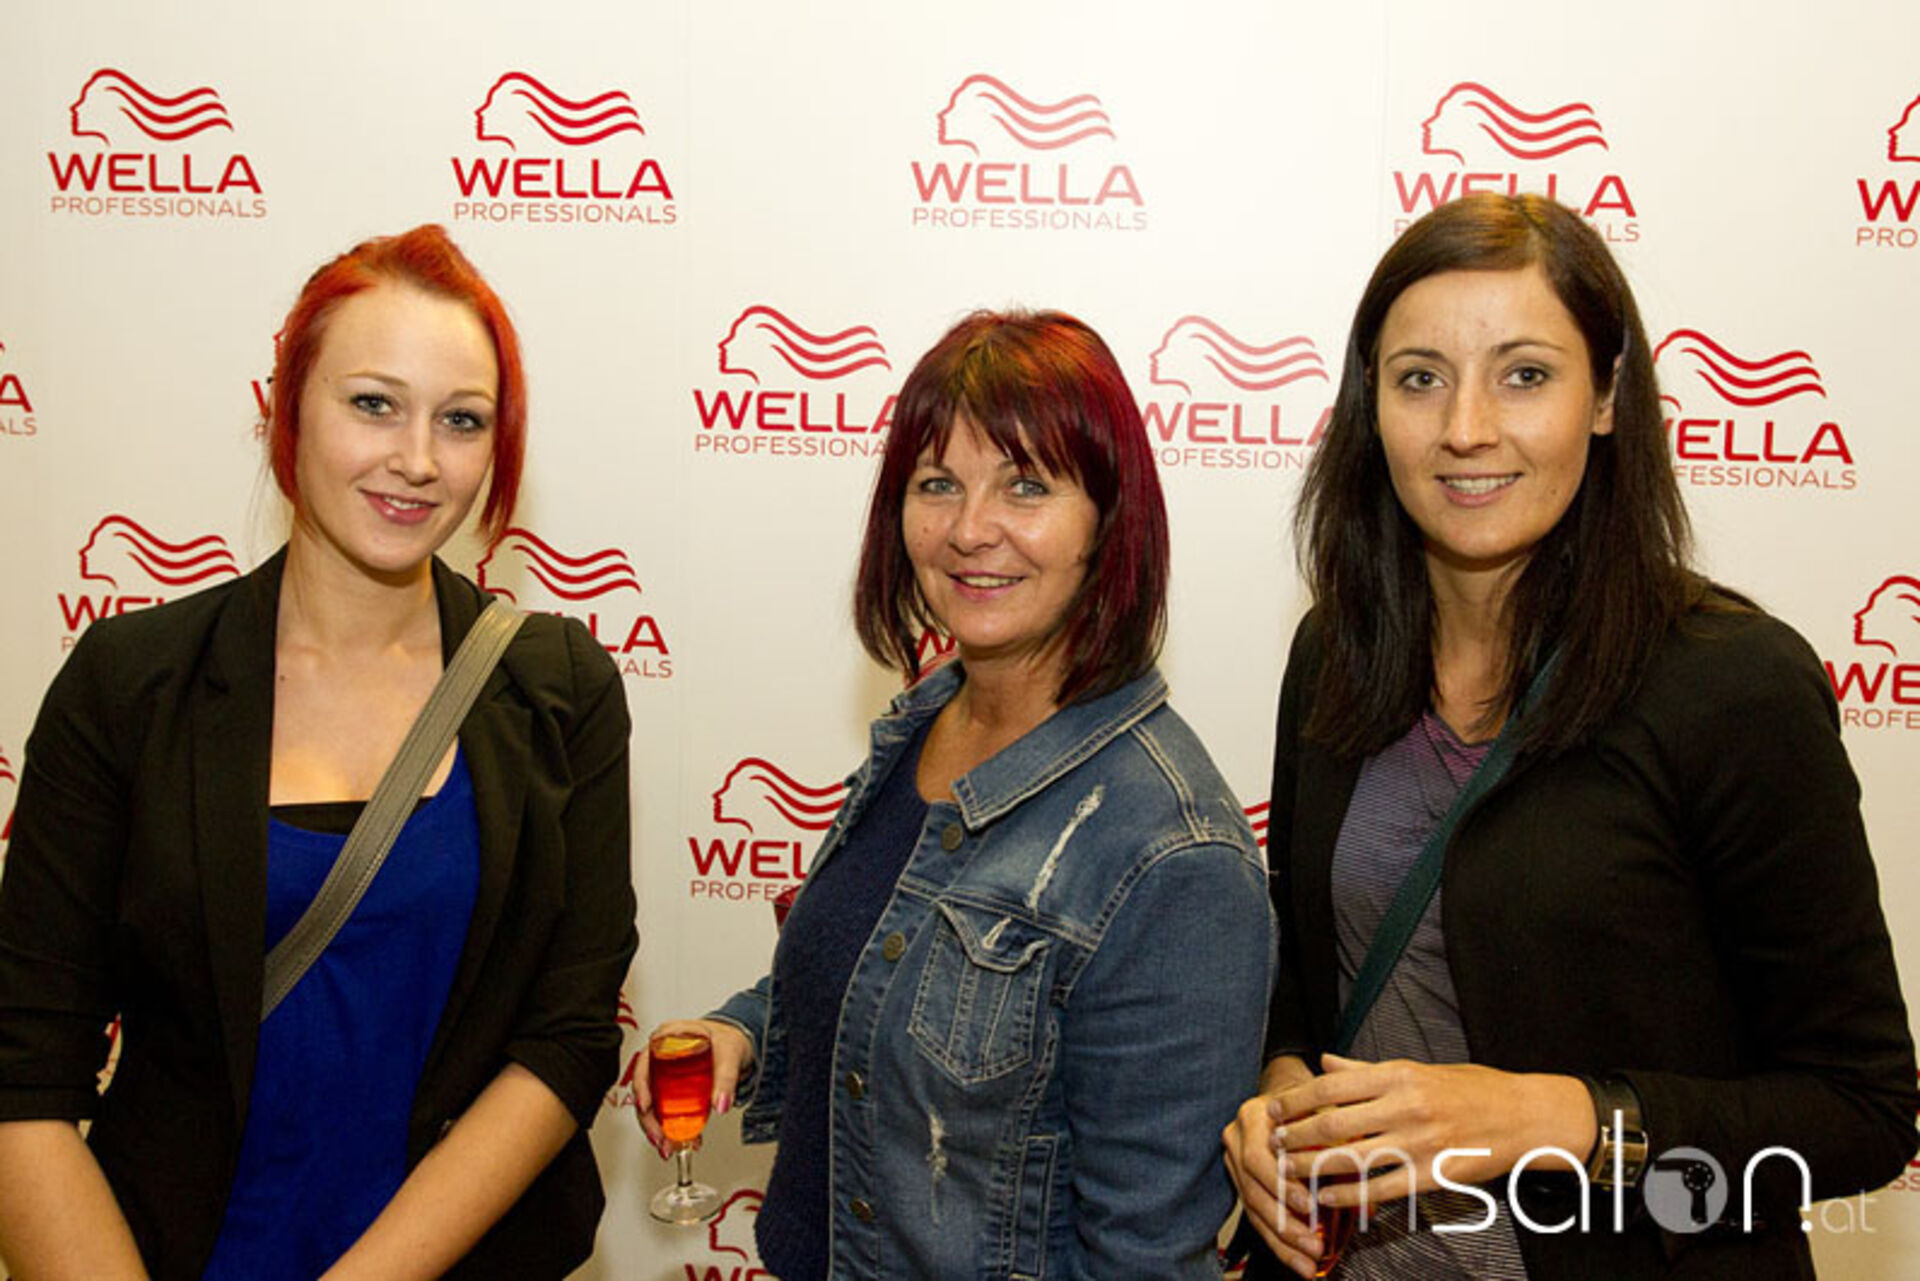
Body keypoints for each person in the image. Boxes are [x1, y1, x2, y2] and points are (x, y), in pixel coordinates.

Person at [1223, 192, 1918, 1279]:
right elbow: (1308, 983)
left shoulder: (1731, 684)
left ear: (1605, 396)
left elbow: (1860, 1116)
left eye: (1525, 375)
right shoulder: (1337, 650)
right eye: (1420, 379)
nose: (1466, 428)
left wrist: (1562, 1121)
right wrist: (1279, 1097)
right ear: (1372, 406)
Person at [0, 225, 636, 1279]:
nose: (418, 460)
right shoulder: (130, 683)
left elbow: (564, 1039)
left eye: (462, 419)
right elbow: (25, 1069)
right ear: (288, 408)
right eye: (373, 403)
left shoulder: (558, 690)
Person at [637, 310, 1274, 1278]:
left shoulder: (1174, 857)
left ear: (1108, 520)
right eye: (938, 484)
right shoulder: (923, 723)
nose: (971, 530)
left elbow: (1144, 1258)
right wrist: (747, 1029)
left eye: (1027, 485)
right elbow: (892, 977)